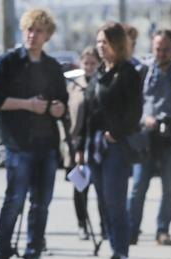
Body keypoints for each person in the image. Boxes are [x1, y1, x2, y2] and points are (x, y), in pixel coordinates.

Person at [0, 9, 68, 259]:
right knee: (14, 200)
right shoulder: (8, 62)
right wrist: (28, 105)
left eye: (39, 31)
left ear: (47, 36)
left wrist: (57, 108)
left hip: (46, 143)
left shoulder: (53, 67)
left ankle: (34, 256)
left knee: (41, 204)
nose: (33, 35)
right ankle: (2, 258)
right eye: (29, 30)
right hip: (18, 142)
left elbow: (62, 103)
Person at [78, 22, 142, 259]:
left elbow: (134, 111)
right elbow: (88, 111)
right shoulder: (101, 72)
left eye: (104, 42)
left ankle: (121, 257)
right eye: (98, 42)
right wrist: (79, 147)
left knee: (116, 203)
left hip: (116, 146)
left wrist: (116, 133)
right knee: (104, 202)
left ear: (117, 44)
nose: (100, 47)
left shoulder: (128, 73)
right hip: (94, 147)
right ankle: (114, 253)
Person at [127, 29, 171, 246]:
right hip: (145, 138)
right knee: (138, 187)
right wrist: (146, 119)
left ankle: (162, 230)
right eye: (157, 49)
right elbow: (133, 104)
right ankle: (131, 230)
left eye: (166, 50)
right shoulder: (142, 72)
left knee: (170, 187)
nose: (161, 54)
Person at [66, 46, 105, 240]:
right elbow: (68, 115)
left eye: (93, 63)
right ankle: (82, 224)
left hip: (97, 144)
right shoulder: (74, 85)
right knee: (80, 187)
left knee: (102, 188)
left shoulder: (102, 83)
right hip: (76, 143)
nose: (89, 67)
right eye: (86, 63)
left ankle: (104, 225)